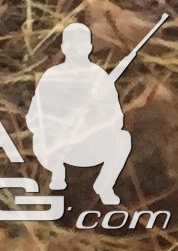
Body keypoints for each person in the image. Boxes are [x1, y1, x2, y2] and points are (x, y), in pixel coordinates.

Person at [28, 23, 133, 205]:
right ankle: (57, 173)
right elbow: (34, 117)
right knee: (39, 138)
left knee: (123, 139)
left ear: (89, 47)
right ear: (63, 47)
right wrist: (61, 120)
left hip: (91, 145)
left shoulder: (99, 77)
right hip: (58, 146)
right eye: (71, 43)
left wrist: (95, 115)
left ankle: (104, 185)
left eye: (81, 43)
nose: (76, 49)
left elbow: (117, 118)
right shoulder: (52, 76)